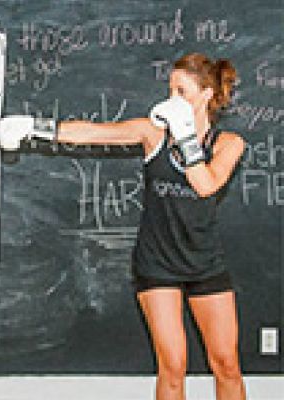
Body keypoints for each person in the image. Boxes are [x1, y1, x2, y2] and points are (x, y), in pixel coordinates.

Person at [56, 53, 246, 400]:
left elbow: (205, 185)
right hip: (157, 263)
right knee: (173, 367)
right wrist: (32, 128)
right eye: (170, 90)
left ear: (206, 95)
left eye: (182, 92)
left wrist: (186, 138)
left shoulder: (229, 144)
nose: (172, 99)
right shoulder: (153, 133)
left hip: (204, 262)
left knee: (227, 364)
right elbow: (93, 133)